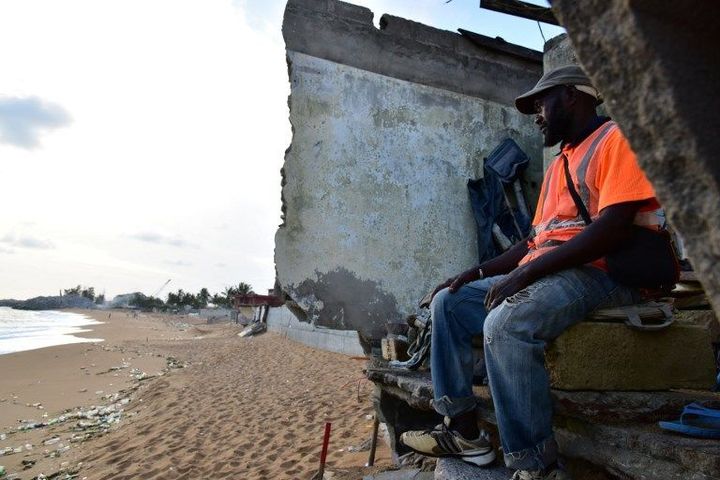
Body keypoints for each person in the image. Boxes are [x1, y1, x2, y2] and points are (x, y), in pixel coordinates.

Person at [400, 65, 666, 480]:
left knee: (506, 324)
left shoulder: (616, 139)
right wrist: (471, 273)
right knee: (447, 303)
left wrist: (524, 277)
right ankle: (464, 432)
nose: (537, 114)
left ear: (572, 96)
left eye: (542, 102)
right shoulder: (560, 163)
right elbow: (534, 241)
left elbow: (612, 227)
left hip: (602, 274)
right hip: (551, 273)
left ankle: (536, 467)